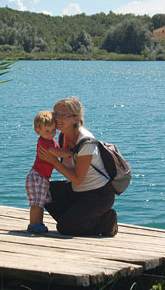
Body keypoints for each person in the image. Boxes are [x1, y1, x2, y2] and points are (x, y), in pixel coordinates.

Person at [38, 97, 118, 237]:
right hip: (78, 192)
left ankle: (107, 220)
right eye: (55, 113)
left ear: (76, 119)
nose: (57, 118)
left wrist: (53, 161)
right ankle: (80, 218)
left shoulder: (86, 142)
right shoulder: (63, 137)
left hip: (98, 195)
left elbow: (77, 178)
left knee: (65, 228)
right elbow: (70, 174)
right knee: (41, 188)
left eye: (63, 115)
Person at [26, 110, 72, 233]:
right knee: (36, 203)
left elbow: (57, 150)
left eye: (53, 130)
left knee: (40, 202)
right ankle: (33, 224)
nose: (51, 133)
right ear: (38, 131)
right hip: (37, 176)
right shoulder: (44, 142)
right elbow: (56, 152)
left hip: (42, 177)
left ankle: (38, 223)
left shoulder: (50, 141)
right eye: (47, 131)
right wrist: (71, 152)